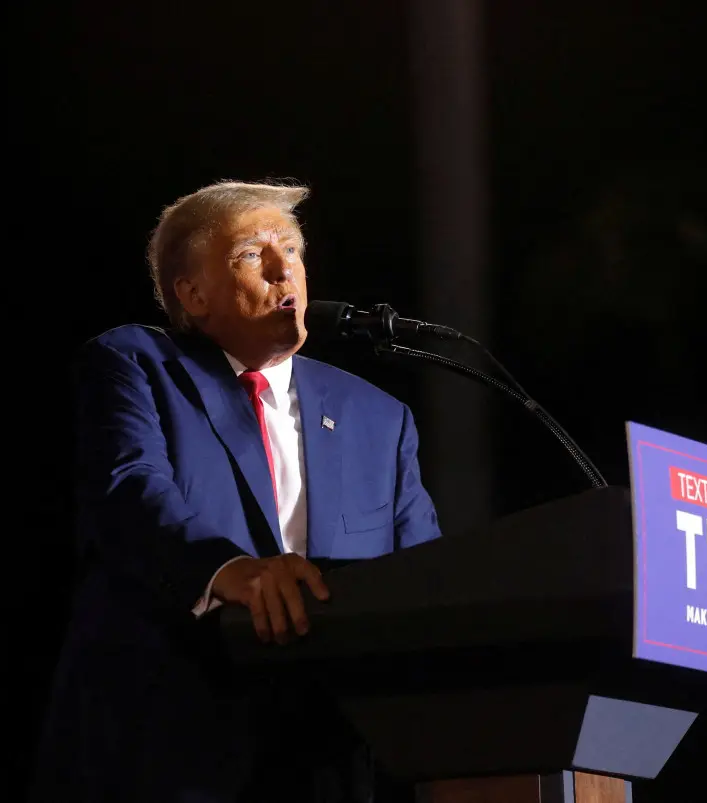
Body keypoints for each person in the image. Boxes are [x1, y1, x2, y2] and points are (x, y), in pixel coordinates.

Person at [30, 180, 442, 803]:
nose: (286, 269)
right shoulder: (138, 365)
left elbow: (425, 575)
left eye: (293, 251)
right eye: (252, 254)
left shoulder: (379, 419)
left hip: (328, 763)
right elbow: (130, 495)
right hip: (167, 756)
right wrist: (234, 571)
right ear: (192, 294)